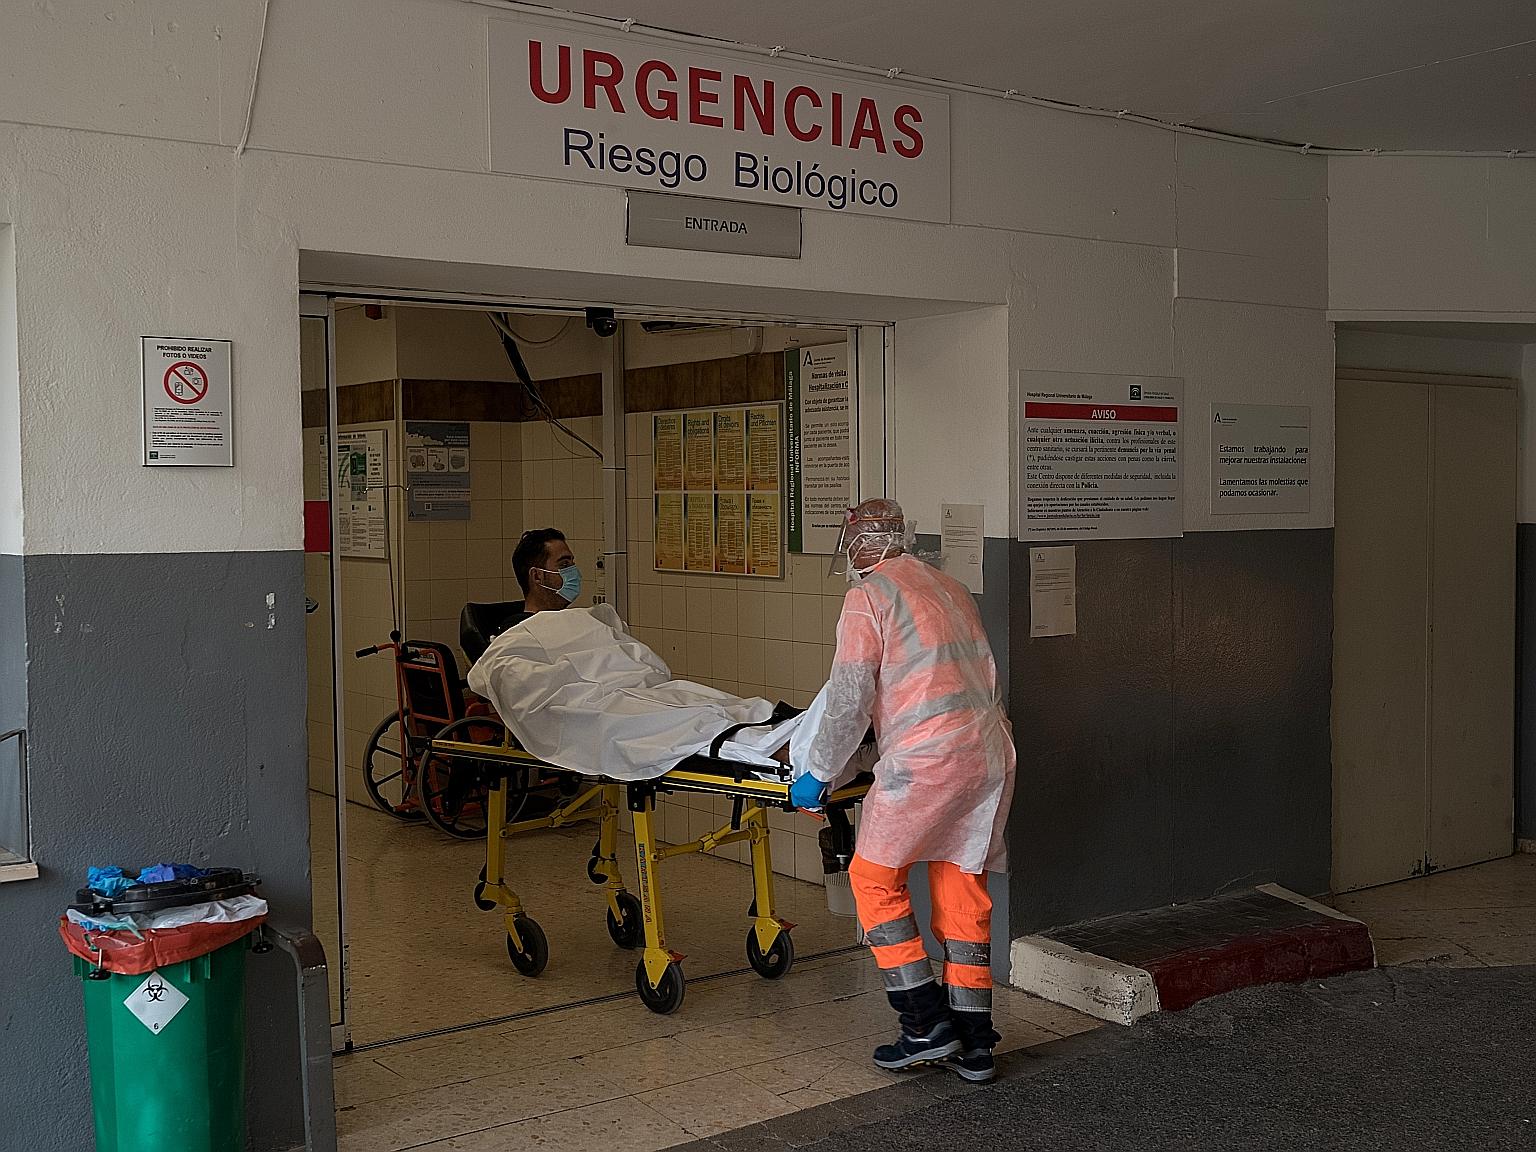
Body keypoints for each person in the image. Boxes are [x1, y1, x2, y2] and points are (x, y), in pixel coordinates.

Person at [790, 498, 1016, 1083]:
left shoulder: (868, 598)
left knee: (872, 878)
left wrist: (820, 771)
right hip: (986, 753)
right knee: (961, 882)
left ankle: (923, 1022)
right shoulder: (950, 586)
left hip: (926, 761)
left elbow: (849, 696)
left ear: (857, 543)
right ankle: (976, 1041)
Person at [459, 528, 582, 663]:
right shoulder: (518, 634)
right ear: (537, 576)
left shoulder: (573, 622)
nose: (574, 572)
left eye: (572, 564)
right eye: (564, 564)